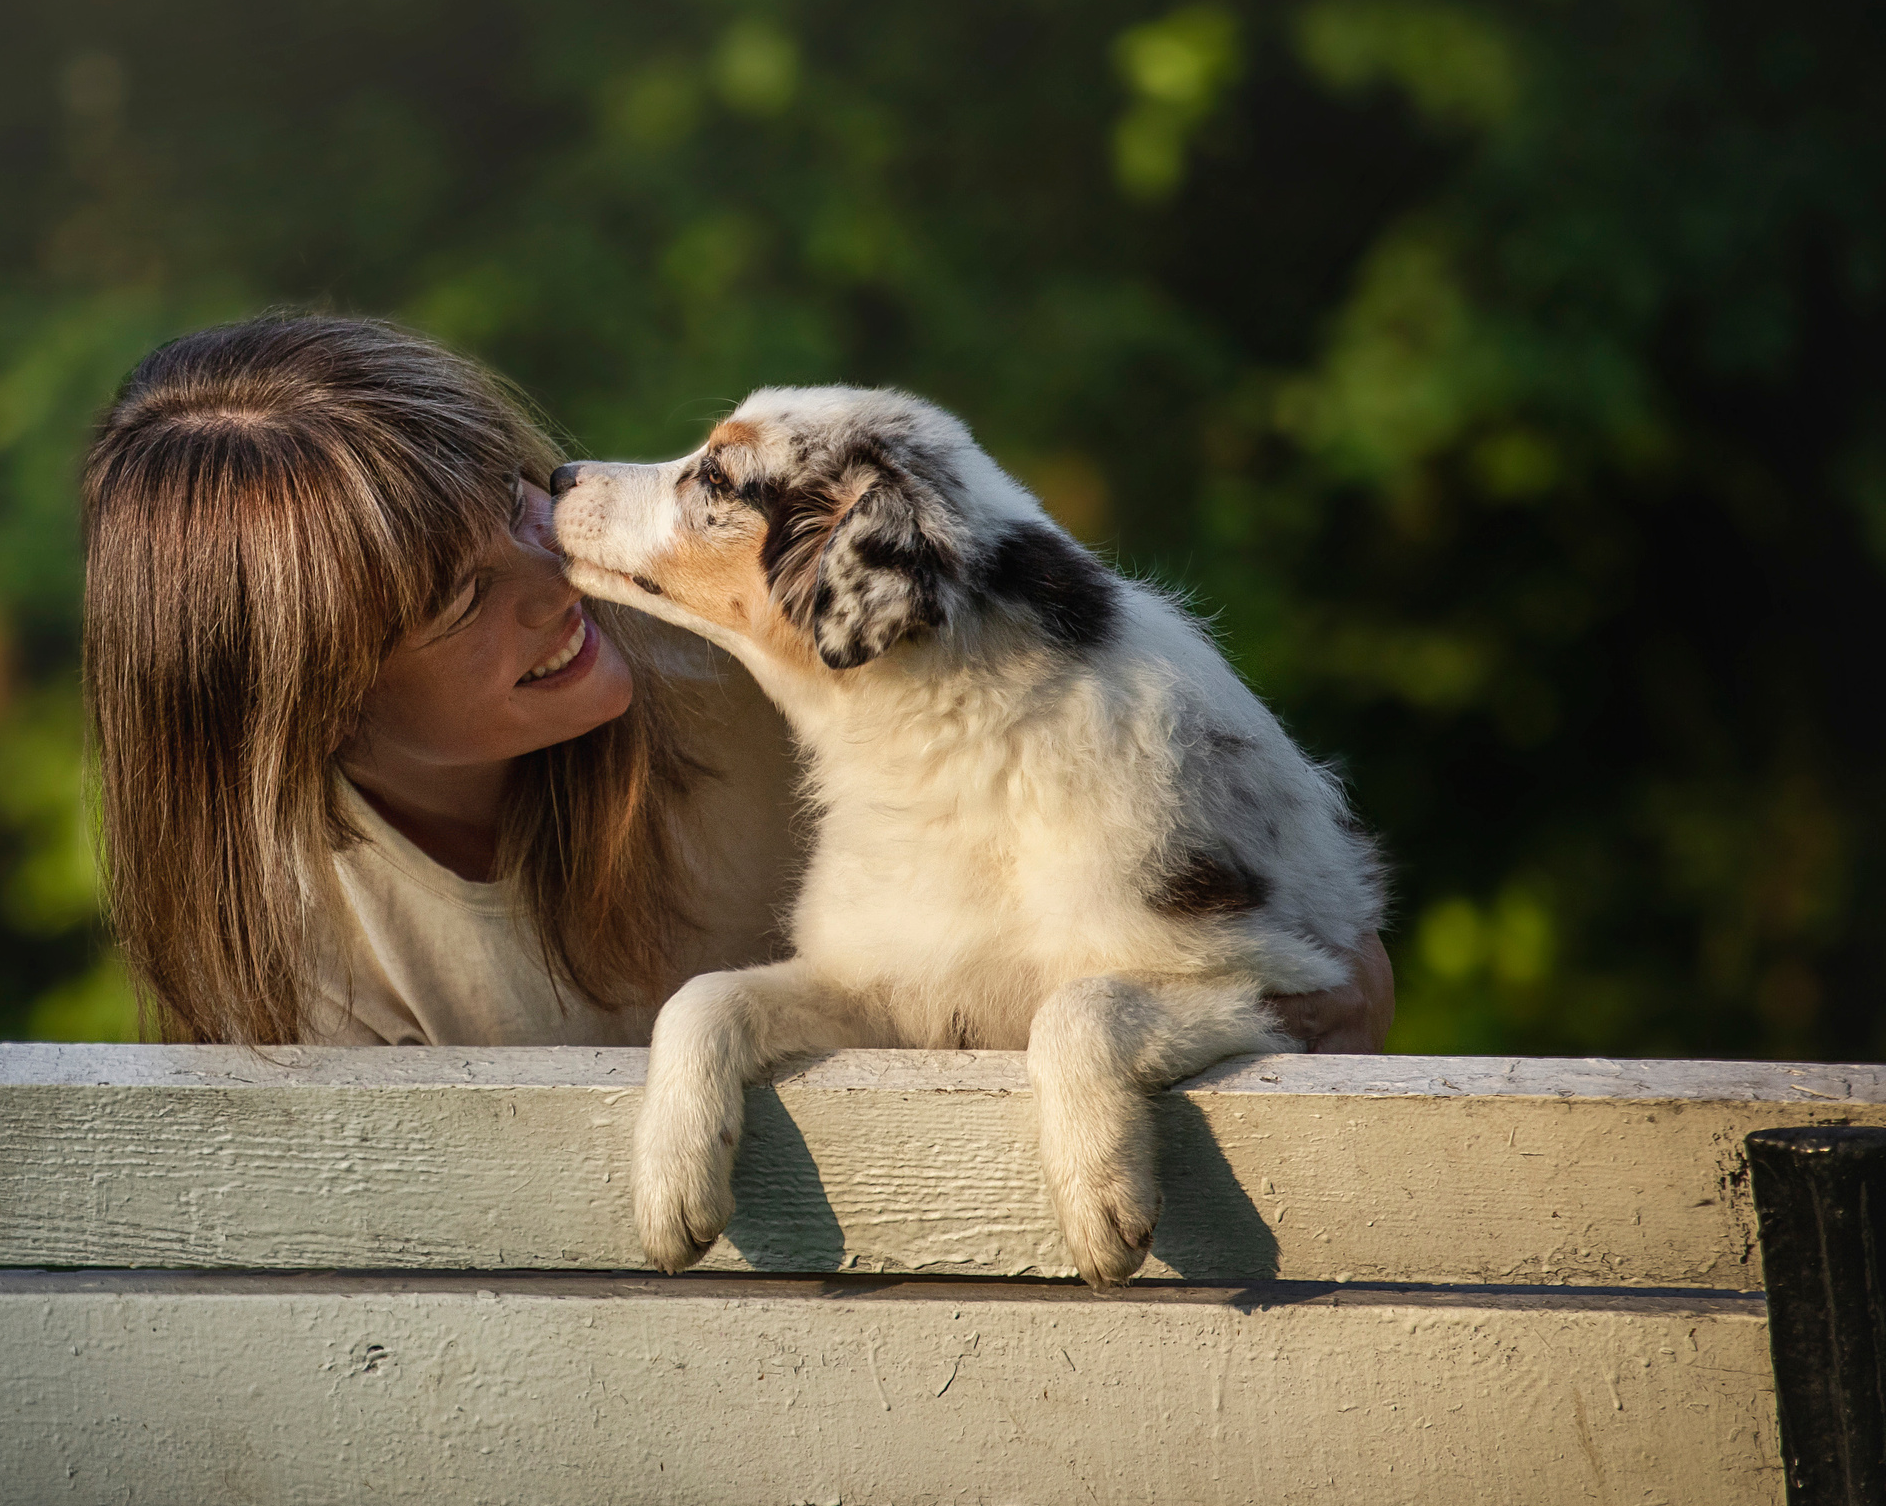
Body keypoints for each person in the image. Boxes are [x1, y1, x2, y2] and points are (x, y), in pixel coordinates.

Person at [81, 313, 1394, 1050]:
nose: (556, 575)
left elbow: (1335, 985)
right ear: (312, 711)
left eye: (510, 498)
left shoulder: (805, 681)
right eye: (461, 600)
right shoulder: (293, 944)